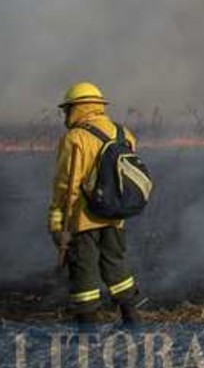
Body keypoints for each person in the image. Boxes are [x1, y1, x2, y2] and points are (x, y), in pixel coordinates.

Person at [48, 81, 140, 325]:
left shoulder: (74, 138)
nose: (65, 114)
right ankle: (131, 316)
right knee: (116, 262)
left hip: (83, 218)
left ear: (77, 108)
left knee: (84, 270)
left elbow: (66, 186)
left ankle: (88, 326)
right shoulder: (123, 133)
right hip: (115, 213)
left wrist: (57, 222)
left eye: (67, 109)